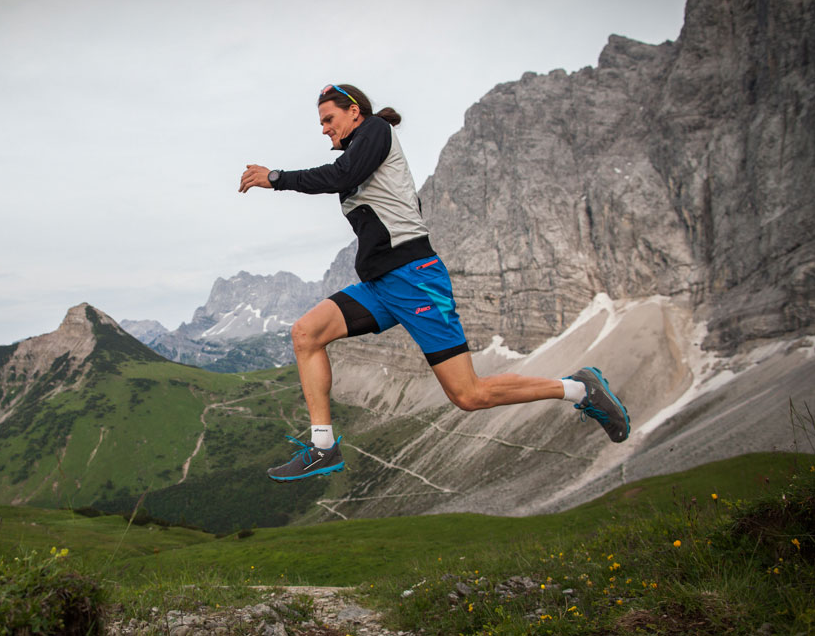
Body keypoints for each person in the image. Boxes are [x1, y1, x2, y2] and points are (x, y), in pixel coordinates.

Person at [238, 84, 629, 482]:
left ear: (354, 111)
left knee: (468, 395)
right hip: (380, 285)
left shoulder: (374, 131)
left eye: (328, 119)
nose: (324, 129)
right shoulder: (359, 150)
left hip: (413, 279)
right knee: (306, 333)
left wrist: (276, 177)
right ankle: (324, 448)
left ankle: (579, 389)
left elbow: (343, 174)